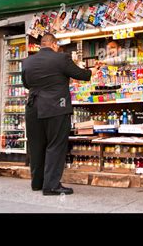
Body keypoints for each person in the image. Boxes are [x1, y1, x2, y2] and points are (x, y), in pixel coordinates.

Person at [22, 33, 99, 195]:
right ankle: (51, 186)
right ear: (54, 45)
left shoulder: (27, 62)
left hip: (33, 108)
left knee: (36, 146)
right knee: (55, 146)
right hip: (56, 108)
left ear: (41, 45)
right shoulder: (61, 58)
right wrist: (92, 70)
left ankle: (37, 183)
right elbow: (82, 75)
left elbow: (26, 84)